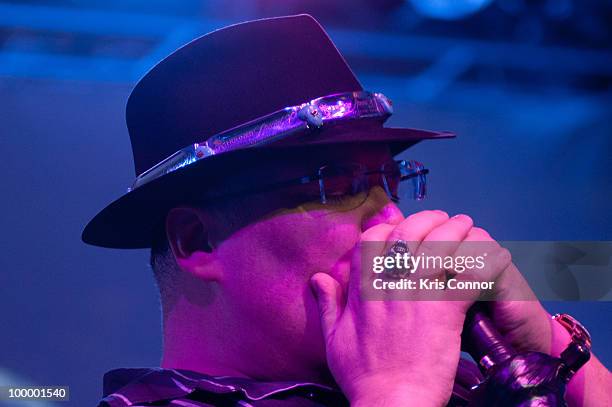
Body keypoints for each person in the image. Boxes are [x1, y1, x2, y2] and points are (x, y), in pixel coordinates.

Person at [83, 15, 610, 407]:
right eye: (337, 187)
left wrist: (544, 342)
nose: (391, 222)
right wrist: (397, 388)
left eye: (390, 183)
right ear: (198, 240)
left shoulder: (457, 381)